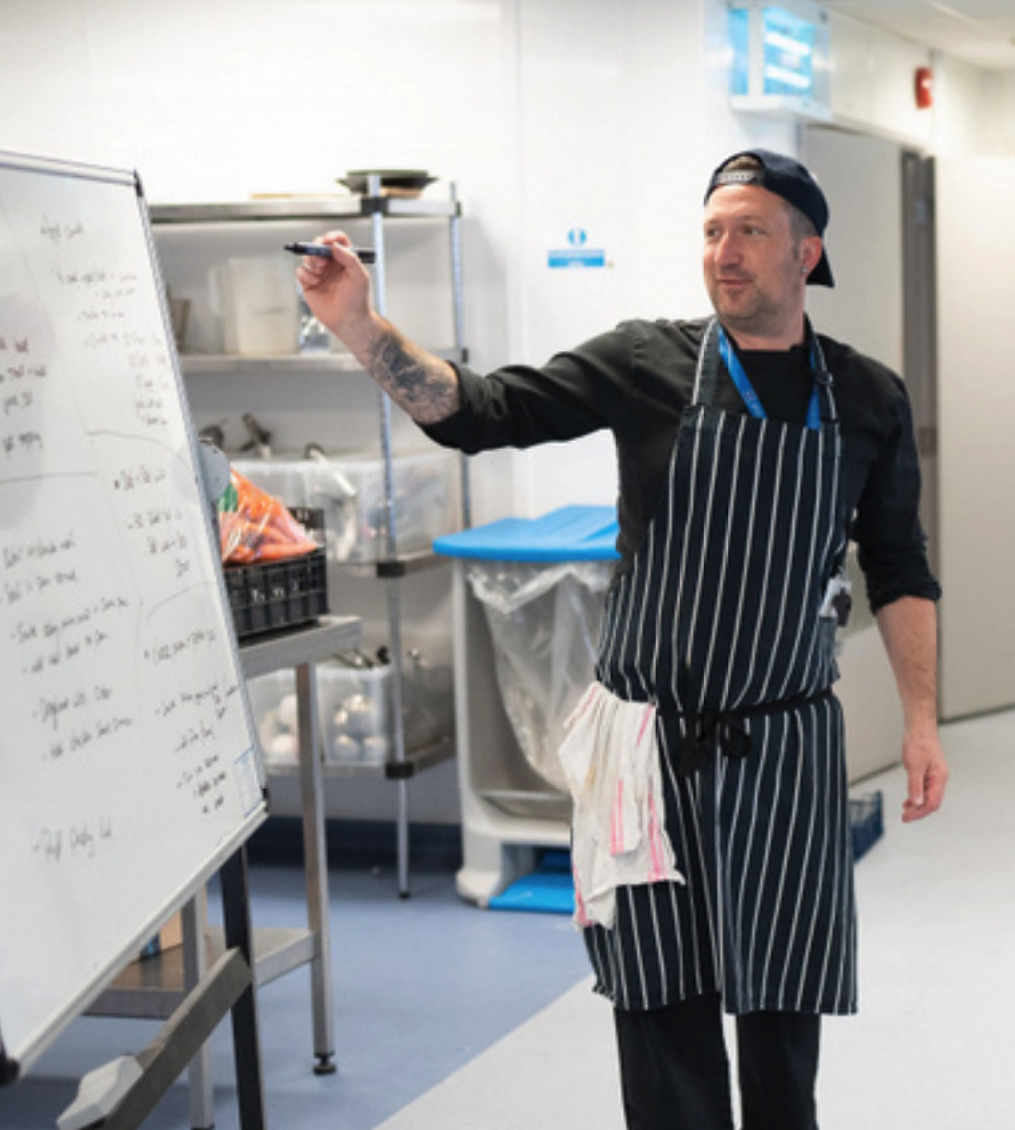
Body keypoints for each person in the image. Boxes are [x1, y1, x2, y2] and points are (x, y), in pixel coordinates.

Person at [296, 149, 949, 1130]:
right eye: (711, 231)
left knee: (779, 1015)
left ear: (807, 250)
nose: (723, 253)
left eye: (750, 231)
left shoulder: (866, 396)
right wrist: (358, 323)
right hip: (644, 752)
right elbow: (481, 413)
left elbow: (898, 565)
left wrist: (922, 720)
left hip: (783, 748)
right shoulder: (643, 361)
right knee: (656, 1008)